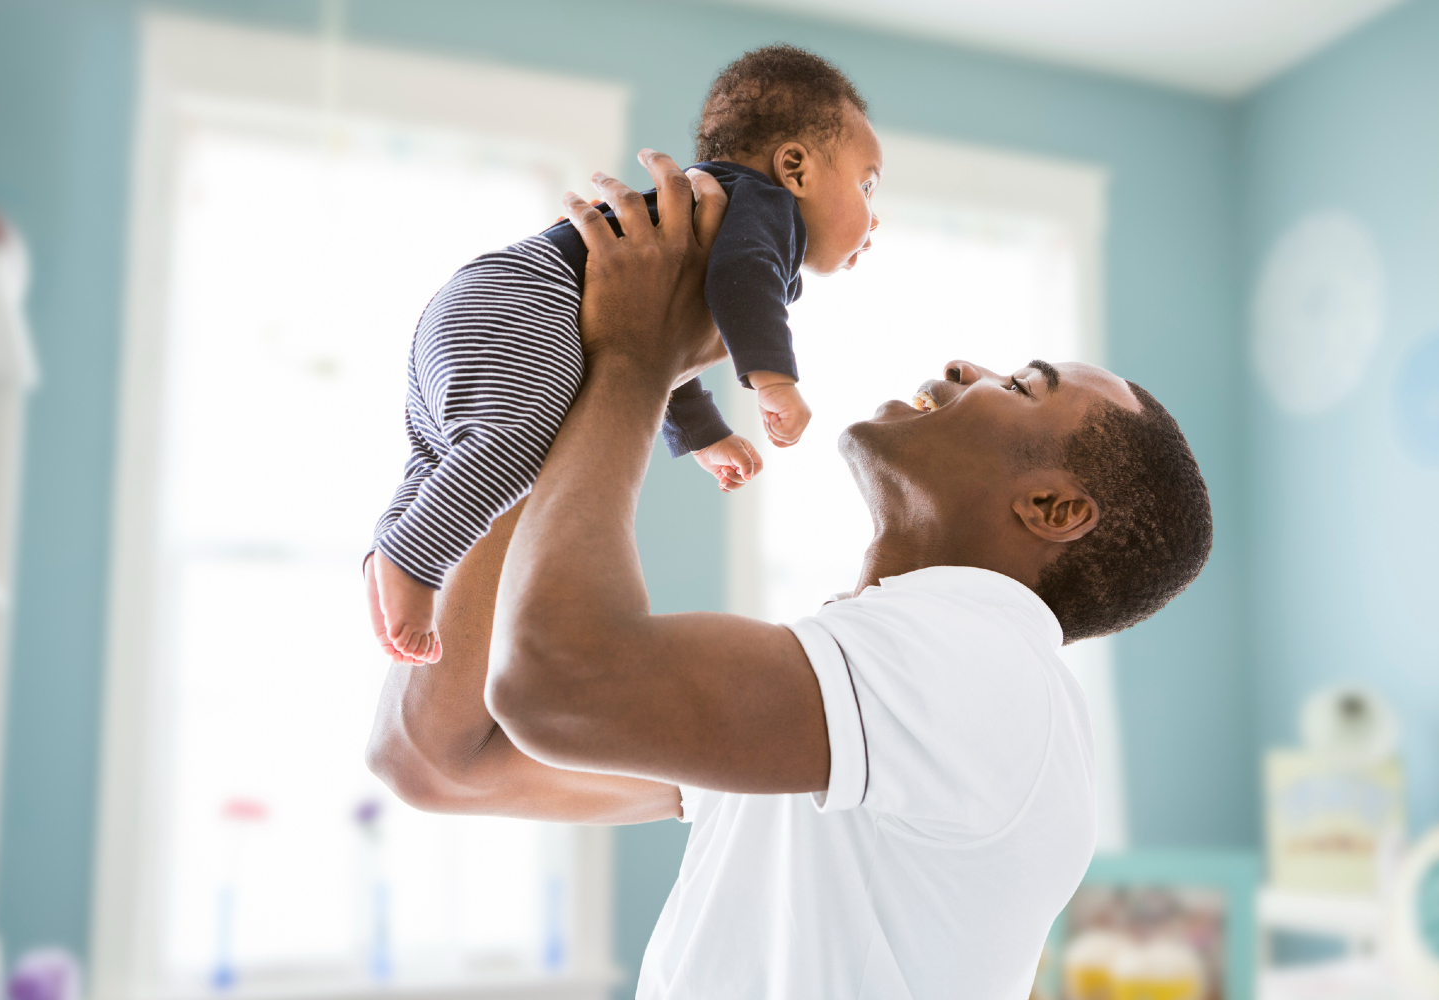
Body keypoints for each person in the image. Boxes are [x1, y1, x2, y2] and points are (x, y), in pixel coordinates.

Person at [365, 153, 1214, 999]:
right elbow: (436, 759)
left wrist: (635, 355)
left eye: (1024, 387)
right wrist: (541, 384)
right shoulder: (857, 715)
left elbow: (561, 682)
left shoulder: (979, 669)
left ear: (1055, 509)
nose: (966, 367)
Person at [368, 44, 881, 664]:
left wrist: (704, 433)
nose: (874, 219)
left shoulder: (713, 209)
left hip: (485, 298)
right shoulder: (767, 212)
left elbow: (669, 336)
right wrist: (775, 383)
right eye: (867, 187)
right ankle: (413, 563)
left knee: (438, 450)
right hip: (533, 297)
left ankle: (386, 550)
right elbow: (744, 281)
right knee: (514, 444)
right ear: (795, 168)